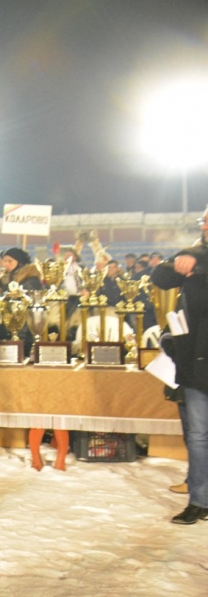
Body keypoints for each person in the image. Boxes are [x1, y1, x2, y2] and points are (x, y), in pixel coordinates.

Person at [151, 207, 208, 525]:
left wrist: (196, 261)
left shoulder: (200, 258)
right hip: (195, 364)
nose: (206, 227)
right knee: (198, 436)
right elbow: (159, 277)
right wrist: (179, 261)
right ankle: (199, 500)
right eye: (205, 221)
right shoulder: (195, 254)